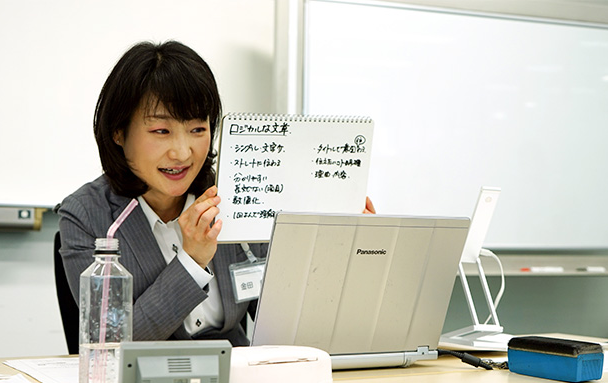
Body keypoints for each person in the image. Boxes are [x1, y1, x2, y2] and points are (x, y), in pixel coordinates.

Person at [58, 40, 373, 347]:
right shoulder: (87, 215)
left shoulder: (239, 196)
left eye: (197, 129)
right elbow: (108, 346)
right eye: (160, 131)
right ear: (118, 132)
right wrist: (192, 260)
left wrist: (342, 250)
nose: (182, 153)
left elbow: (288, 326)